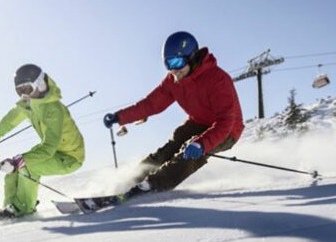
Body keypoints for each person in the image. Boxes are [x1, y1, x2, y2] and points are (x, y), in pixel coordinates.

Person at [102, 31, 244, 197]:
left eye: (177, 62)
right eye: (168, 64)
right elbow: (151, 104)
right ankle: (131, 181)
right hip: (198, 122)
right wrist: (120, 117)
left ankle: (154, 185)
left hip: (227, 130)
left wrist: (202, 143)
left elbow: (226, 121)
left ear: (191, 56)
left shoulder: (218, 79)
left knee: (189, 151)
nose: (173, 70)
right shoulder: (173, 81)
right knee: (171, 146)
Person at [0, 64, 85, 218]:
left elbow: (48, 147)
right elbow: (9, 121)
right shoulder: (28, 105)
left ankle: (23, 209)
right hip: (52, 152)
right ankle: (10, 208)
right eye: (19, 91)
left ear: (40, 84)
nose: (24, 95)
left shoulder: (53, 109)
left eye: (26, 89)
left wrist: (19, 162)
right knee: (11, 169)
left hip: (70, 157)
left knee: (26, 167)